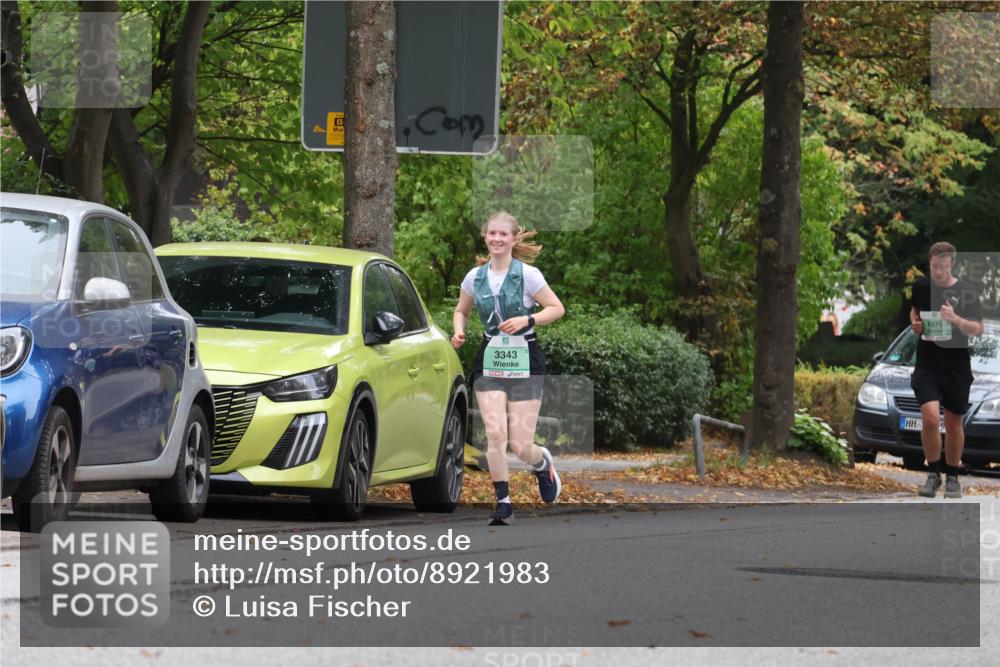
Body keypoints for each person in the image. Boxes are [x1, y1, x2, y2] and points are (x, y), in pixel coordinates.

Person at [452, 211, 566, 525]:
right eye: (492, 234)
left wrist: (527, 319)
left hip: (525, 358)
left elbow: (557, 308)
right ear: (485, 237)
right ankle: (503, 502)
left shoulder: (529, 275)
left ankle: (542, 462)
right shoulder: (474, 277)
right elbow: (461, 310)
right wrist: (458, 330)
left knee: (520, 444)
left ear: (514, 239)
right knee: (495, 436)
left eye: (504, 234)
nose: (497, 239)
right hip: (490, 358)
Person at [909, 242, 984, 498]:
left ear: (952, 264)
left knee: (953, 424)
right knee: (930, 418)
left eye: (943, 266)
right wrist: (916, 324)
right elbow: (914, 311)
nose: (938, 272)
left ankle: (952, 476)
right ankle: (933, 474)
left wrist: (955, 319)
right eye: (934, 266)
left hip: (956, 366)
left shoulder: (966, 290)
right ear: (929, 262)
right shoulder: (920, 286)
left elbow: (978, 328)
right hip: (927, 364)